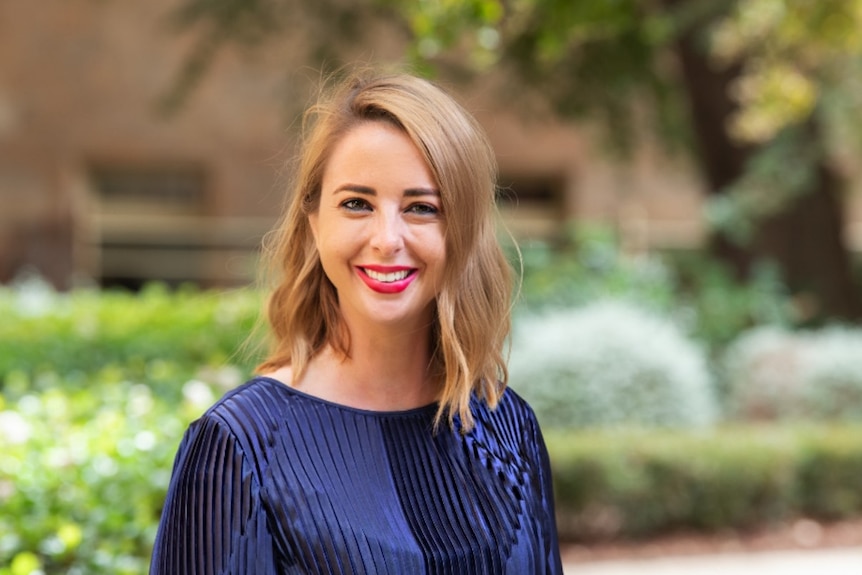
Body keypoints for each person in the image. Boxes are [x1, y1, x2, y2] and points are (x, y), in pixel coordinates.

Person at [150, 70, 563, 574]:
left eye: (421, 207)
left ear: (464, 231)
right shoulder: (241, 447)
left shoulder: (507, 427)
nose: (387, 238)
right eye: (356, 204)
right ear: (314, 221)